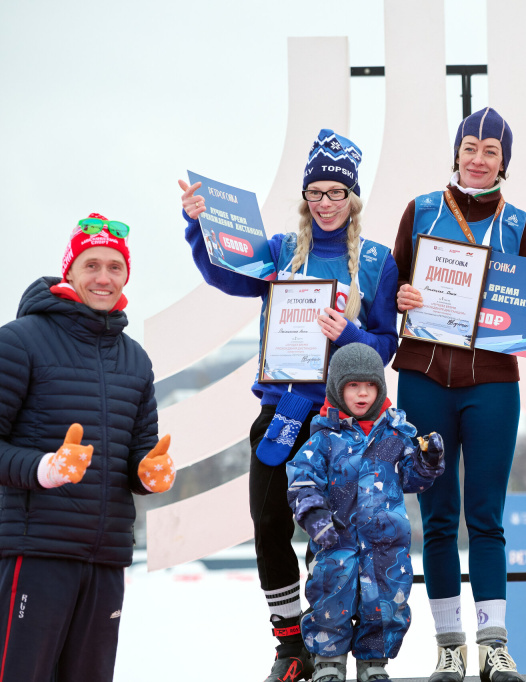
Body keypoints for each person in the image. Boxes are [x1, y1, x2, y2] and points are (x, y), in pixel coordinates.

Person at [178, 129, 399, 682]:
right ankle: (290, 643)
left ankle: (331, 645)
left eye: (336, 192)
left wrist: (349, 333)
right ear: (304, 197)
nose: (326, 203)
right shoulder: (281, 250)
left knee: (334, 535)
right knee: (270, 521)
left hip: (342, 423)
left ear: (353, 198)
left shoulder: (376, 260)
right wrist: (198, 226)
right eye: (316, 192)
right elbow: (226, 274)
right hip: (283, 409)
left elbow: (385, 346)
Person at [392, 107, 526, 682]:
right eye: (470, 148)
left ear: (504, 162)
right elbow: (391, 288)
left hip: (492, 381)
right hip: (425, 376)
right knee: (437, 515)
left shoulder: (519, 223)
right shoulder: (422, 209)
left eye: (491, 151)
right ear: (456, 153)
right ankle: (449, 646)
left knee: (486, 516)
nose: (479, 159)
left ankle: (494, 646)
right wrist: (401, 296)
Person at [0, 214, 176, 681]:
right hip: (35, 552)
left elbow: (139, 451)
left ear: (126, 277)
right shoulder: (19, 341)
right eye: (91, 265)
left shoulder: (135, 359)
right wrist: (45, 467)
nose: (104, 278)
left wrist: (148, 473)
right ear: (69, 271)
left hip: (105, 557)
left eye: (115, 267)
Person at [287, 343, 445, 682]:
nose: (362, 394)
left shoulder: (396, 435)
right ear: (337, 389)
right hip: (336, 541)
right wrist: (316, 519)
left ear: (381, 388)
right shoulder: (324, 439)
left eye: (370, 385)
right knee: (330, 598)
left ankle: (374, 663)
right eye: (353, 386)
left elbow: (412, 479)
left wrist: (428, 459)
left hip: (386, 544)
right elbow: (302, 481)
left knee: (386, 604)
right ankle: (328, 662)